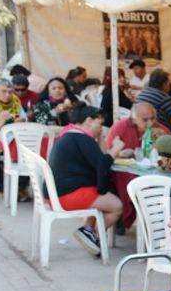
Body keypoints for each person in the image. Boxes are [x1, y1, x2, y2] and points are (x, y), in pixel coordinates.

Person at [47, 104, 123, 256]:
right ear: (88, 121)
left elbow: (99, 159)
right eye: (99, 124)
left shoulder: (71, 133)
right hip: (67, 195)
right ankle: (91, 236)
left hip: (58, 192)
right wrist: (116, 149)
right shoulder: (81, 138)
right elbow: (103, 165)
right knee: (116, 206)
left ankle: (87, 230)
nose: (101, 128)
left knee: (101, 193)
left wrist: (101, 137)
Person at [105, 102, 170, 153]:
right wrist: (119, 154)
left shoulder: (161, 129)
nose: (150, 123)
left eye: (152, 118)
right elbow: (106, 150)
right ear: (134, 119)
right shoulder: (120, 126)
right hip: (125, 168)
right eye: (145, 120)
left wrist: (164, 139)